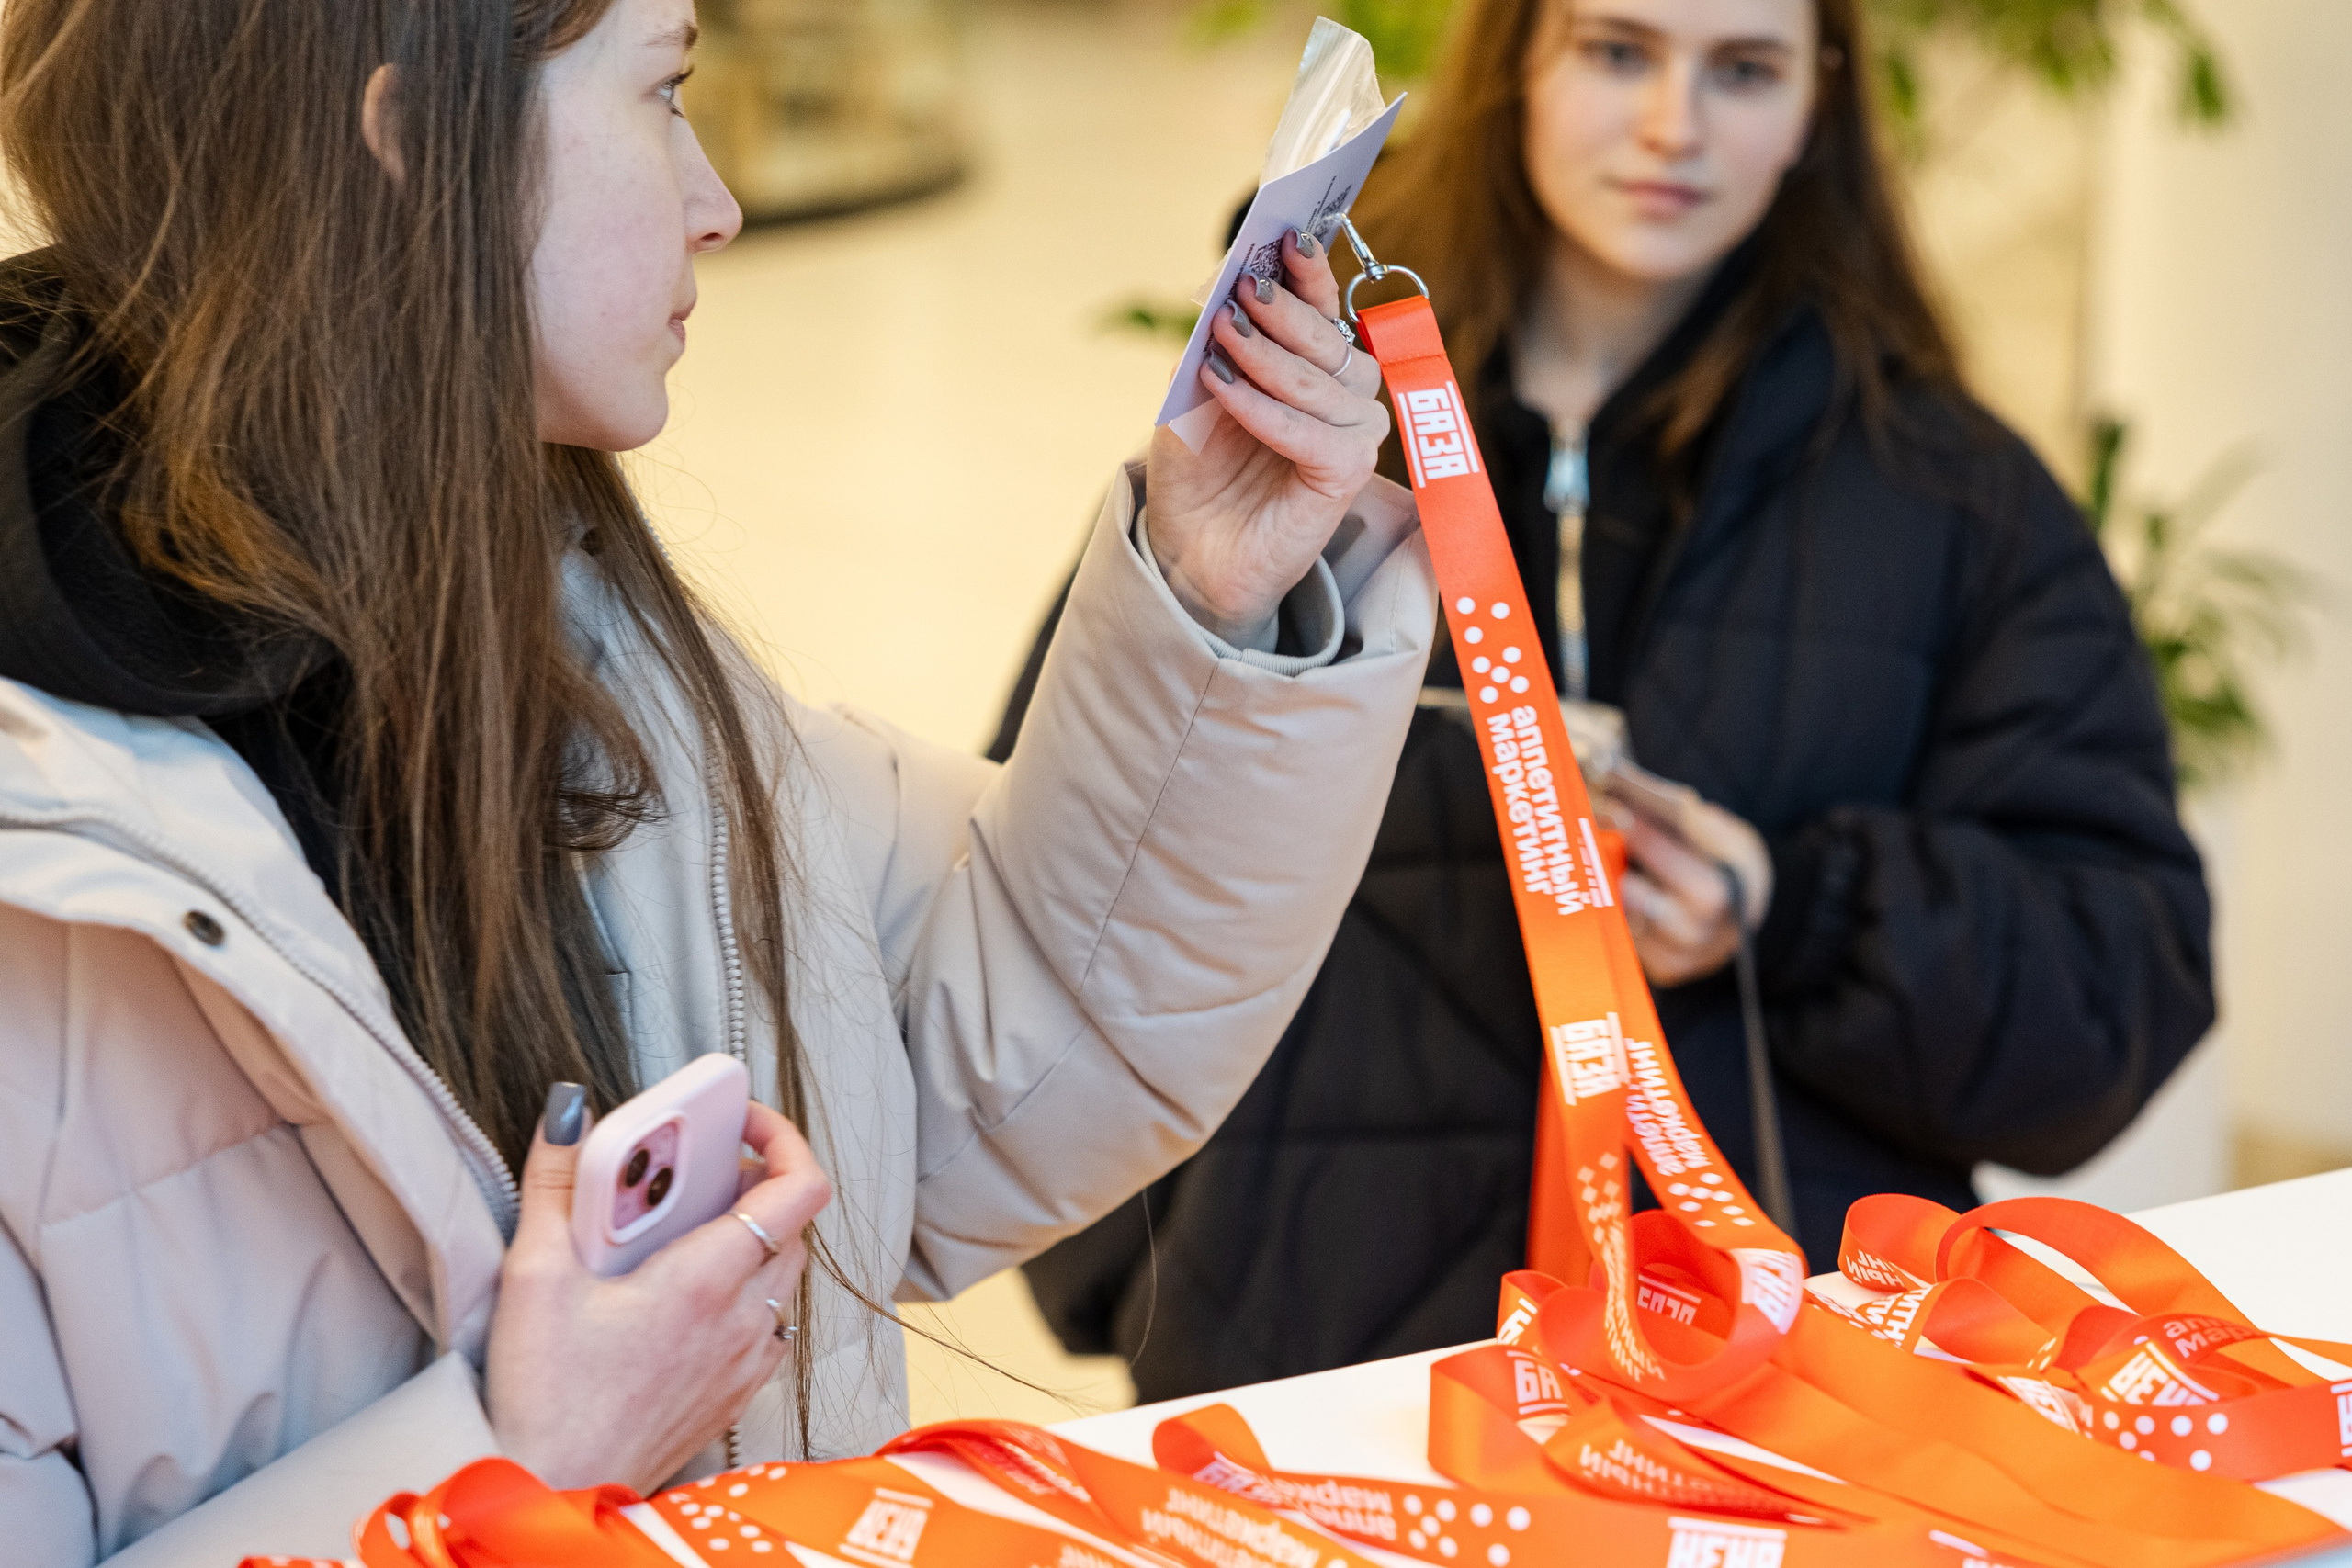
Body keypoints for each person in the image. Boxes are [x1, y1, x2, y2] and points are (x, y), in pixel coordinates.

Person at [0, 0, 1436, 1561]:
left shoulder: (565, 604)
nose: (720, 200)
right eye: (664, 93)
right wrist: (509, 1471)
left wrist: (1208, 602)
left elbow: (959, 1086)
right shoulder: (57, 854)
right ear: (411, 138)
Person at [995, 0, 2213, 1401]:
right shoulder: (1302, 432)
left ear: (1819, 98)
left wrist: (1802, 911)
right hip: (1323, 1389)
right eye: (1619, 49)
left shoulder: (1957, 500)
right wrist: (1161, 1269)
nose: (1672, 127)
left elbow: (2122, 982)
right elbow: (1060, 863)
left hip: (1775, 1409)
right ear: (1519, 56)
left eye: (1742, 69)